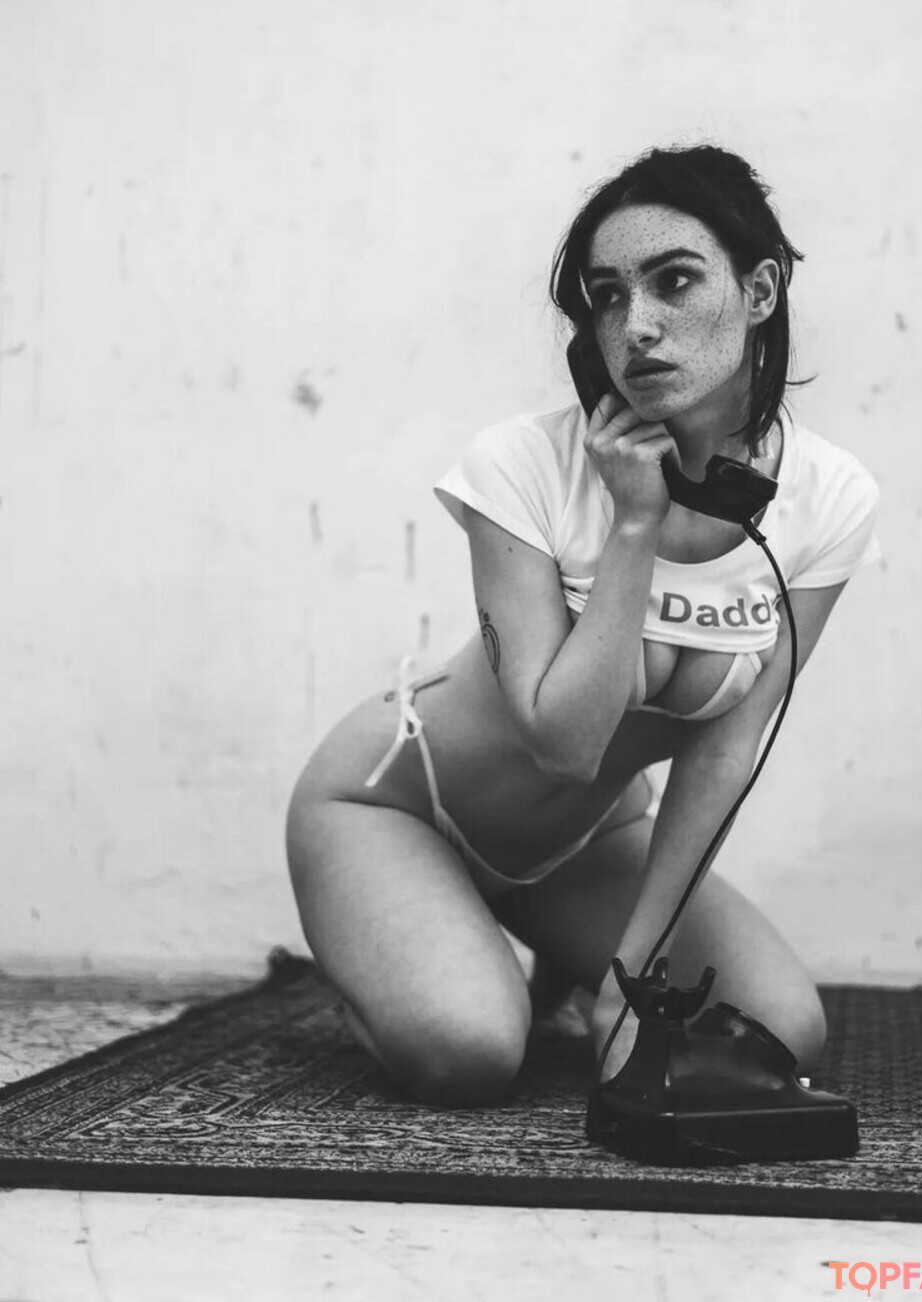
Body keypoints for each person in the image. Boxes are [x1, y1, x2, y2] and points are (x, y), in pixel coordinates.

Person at [286, 144, 881, 1109]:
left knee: (783, 1027)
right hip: (397, 809)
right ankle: (393, 963)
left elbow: (727, 748)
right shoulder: (522, 466)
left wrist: (632, 975)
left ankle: (544, 960)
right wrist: (634, 523)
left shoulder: (830, 498)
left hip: (582, 847)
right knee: (468, 1051)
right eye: (607, 297)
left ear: (761, 290)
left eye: (674, 281)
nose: (635, 326)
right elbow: (562, 747)